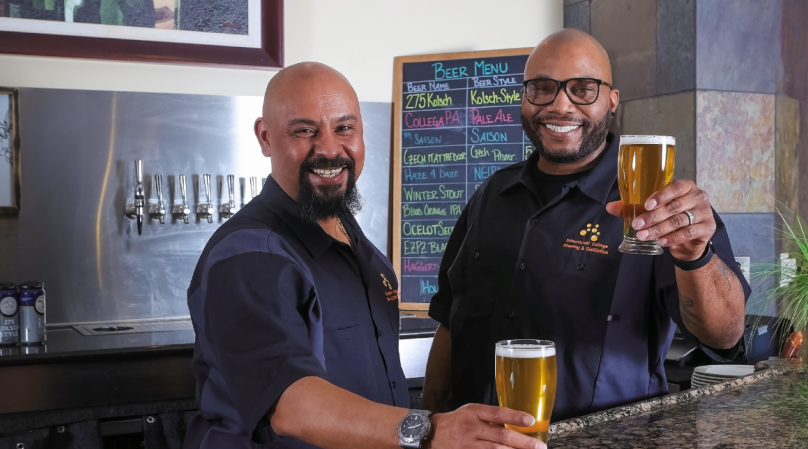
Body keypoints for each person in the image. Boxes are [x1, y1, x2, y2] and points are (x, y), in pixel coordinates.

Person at [185, 62, 546, 449]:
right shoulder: (250, 256)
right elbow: (292, 406)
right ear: (265, 136)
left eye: (344, 128)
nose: (328, 149)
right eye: (305, 130)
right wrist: (431, 430)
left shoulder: (353, 240)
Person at [422, 29, 749, 421]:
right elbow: (450, 319)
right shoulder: (491, 194)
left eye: (583, 88)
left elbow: (725, 335)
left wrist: (695, 255)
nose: (560, 105)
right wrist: (431, 420)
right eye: (541, 88)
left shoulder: (663, 208)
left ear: (612, 101)